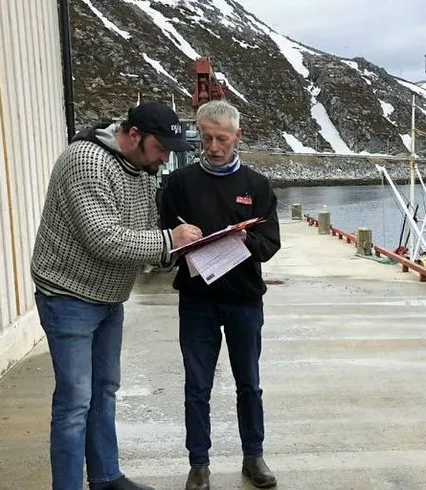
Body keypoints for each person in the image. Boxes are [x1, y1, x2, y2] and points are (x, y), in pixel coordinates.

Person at [31, 101, 203, 490]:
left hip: (109, 297)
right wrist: (166, 241)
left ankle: (106, 477)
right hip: (67, 294)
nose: (164, 160)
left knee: (104, 390)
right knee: (75, 403)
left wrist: (175, 251)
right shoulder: (86, 160)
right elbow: (103, 238)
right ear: (133, 135)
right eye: (160, 149)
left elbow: (143, 236)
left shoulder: (142, 170)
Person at [158, 100, 281, 490]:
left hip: (244, 299)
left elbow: (271, 241)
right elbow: (163, 240)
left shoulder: (257, 185)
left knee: (250, 383)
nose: (213, 146)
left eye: (221, 139)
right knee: (197, 385)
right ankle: (199, 464)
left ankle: (254, 456)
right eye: (207, 138)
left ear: (237, 137)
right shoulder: (178, 184)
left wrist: (245, 239)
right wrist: (178, 240)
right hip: (196, 300)